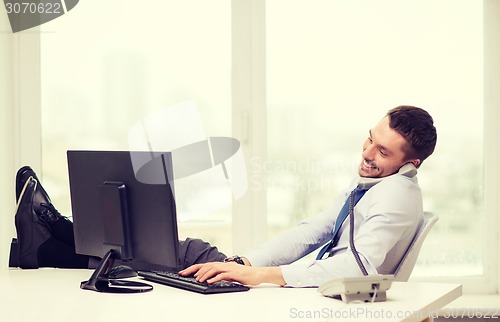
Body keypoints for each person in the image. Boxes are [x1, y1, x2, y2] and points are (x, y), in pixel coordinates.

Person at [12, 105, 437, 288]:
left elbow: (358, 266)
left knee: (166, 254)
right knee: (180, 253)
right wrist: (246, 263)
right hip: (291, 282)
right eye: (369, 139)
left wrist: (259, 277)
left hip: (305, 290)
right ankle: (49, 241)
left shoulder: (397, 197)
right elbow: (315, 230)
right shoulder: (375, 188)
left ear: (410, 164)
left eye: (382, 151)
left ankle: (51, 236)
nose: (367, 154)